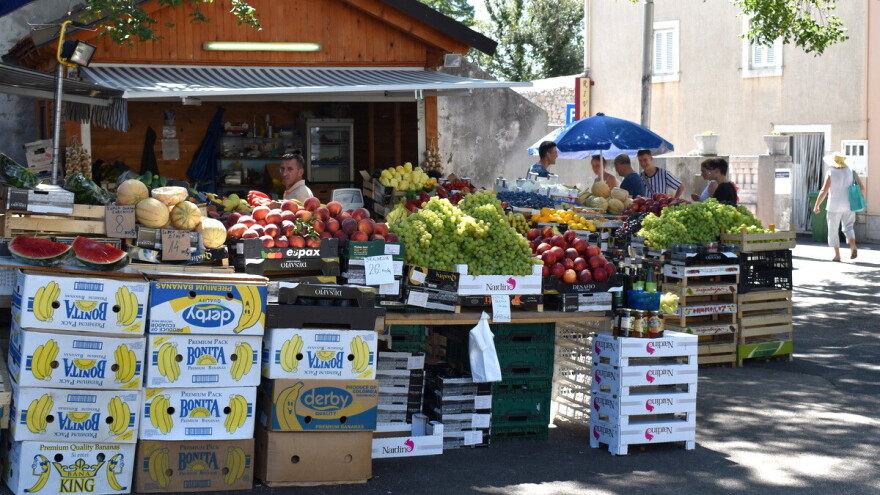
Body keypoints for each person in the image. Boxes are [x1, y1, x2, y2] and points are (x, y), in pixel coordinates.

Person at [813, 152, 866, 261]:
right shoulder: (851, 171)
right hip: (849, 204)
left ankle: (837, 255)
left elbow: (824, 190)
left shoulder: (831, 173)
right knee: (849, 227)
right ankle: (853, 246)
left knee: (833, 230)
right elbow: (862, 187)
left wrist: (817, 204)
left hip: (834, 205)